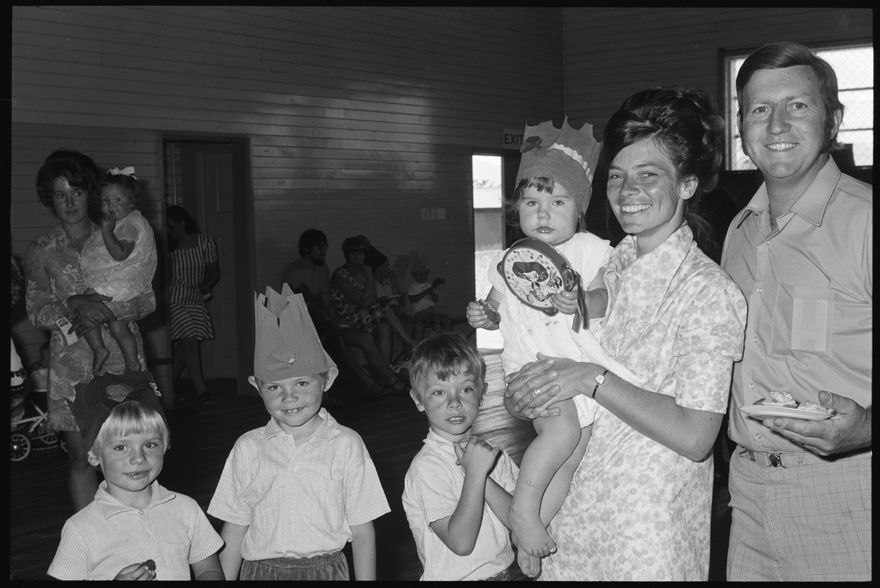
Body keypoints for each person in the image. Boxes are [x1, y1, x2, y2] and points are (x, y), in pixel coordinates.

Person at [502, 88, 747, 580]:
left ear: (688, 184)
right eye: (617, 175)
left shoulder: (708, 292)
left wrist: (590, 378)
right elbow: (549, 363)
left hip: (644, 536)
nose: (627, 190)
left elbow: (697, 437)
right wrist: (527, 392)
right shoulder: (606, 265)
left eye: (648, 174)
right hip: (568, 522)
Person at [721, 41, 871, 581]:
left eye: (798, 105)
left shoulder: (866, 224)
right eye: (759, 109)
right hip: (750, 495)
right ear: (741, 129)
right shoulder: (738, 233)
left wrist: (869, 427)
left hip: (851, 493)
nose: (777, 123)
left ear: (833, 119)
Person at [465, 118, 638, 577]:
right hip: (536, 370)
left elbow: (604, 298)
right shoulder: (509, 260)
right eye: (531, 202)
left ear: (578, 209)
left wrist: (582, 299)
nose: (543, 213)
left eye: (557, 202)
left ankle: (529, 530)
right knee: (559, 437)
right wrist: (483, 315)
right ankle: (523, 512)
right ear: (516, 208)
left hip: (578, 370)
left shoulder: (591, 250)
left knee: (573, 455)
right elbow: (495, 307)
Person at [208, 286, 390, 580]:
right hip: (260, 572)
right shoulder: (248, 447)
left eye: (302, 384)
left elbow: (362, 529)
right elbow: (234, 528)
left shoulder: (346, 444)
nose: (289, 397)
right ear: (257, 386)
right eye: (274, 387)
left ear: (327, 379)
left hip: (325, 571)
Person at [25, 149, 156, 512]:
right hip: (71, 366)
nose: (70, 202)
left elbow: (147, 301)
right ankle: (93, 547)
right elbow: (36, 313)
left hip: (122, 358)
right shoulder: (41, 251)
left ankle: (137, 535)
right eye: (60, 194)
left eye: (77, 192)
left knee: (133, 457)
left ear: (91, 193)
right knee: (82, 460)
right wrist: (73, 305)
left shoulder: (125, 233)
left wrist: (105, 309)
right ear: (48, 198)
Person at [47, 371, 224, 580]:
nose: (138, 458)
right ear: (94, 455)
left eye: (150, 445)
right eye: (121, 447)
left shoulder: (186, 509)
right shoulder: (82, 527)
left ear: (166, 445)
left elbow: (208, 569)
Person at [401, 332, 526, 581]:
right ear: (418, 400)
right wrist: (476, 473)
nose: (455, 402)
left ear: (482, 393)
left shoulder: (490, 454)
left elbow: (517, 518)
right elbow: (461, 542)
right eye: (438, 392)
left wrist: (480, 472)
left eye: (466, 389)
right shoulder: (428, 467)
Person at [282, 228, 399, 399]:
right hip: (302, 322)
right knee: (339, 343)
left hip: (325, 319)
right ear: (307, 249)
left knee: (370, 332)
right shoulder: (294, 270)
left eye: (325, 246)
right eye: (319, 247)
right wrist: (327, 318)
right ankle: (372, 384)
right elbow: (295, 302)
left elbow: (325, 297)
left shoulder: (322, 269)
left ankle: (387, 378)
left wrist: (333, 316)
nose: (324, 251)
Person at [79, 167, 157, 376]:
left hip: (122, 284)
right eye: (106, 201)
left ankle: (100, 349)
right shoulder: (122, 223)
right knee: (118, 327)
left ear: (132, 202)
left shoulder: (131, 225)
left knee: (86, 302)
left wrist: (106, 232)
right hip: (124, 285)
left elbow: (120, 253)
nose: (111, 206)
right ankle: (130, 361)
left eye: (117, 200)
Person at [330, 235, 408, 394]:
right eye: (354, 254)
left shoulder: (363, 272)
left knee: (385, 326)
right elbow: (363, 302)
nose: (358, 258)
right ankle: (391, 377)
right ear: (347, 255)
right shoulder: (341, 275)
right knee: (381, 317)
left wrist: (368, 276)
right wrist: (368, 275)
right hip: (347, 321)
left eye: (361, 254)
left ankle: (383, 376)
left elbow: (371, 300)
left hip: (362, 317)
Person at [166, 204, 219, 405]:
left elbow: (213, 270)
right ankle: (201, 390)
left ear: (182, 223)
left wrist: (207, 283)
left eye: (171, 226)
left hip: (195, 297)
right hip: (173, 298)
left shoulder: (205, 242)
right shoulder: (169, 247)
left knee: (184, 350)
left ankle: (163, 388)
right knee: (189, 339)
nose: (170, 231)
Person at [408, 262, 453, 341]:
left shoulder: (429, 285)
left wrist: (433, 289)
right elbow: (412, 299)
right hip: (420, 313)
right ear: (414, 275)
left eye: (425, 274)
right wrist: (431, 289)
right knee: (436, 320)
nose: (423, 276)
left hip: (431, 312)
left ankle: (448, 341)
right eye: (420, 274)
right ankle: (438, 341)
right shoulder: (412, 286)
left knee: (447, 319)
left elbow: (436, 299)